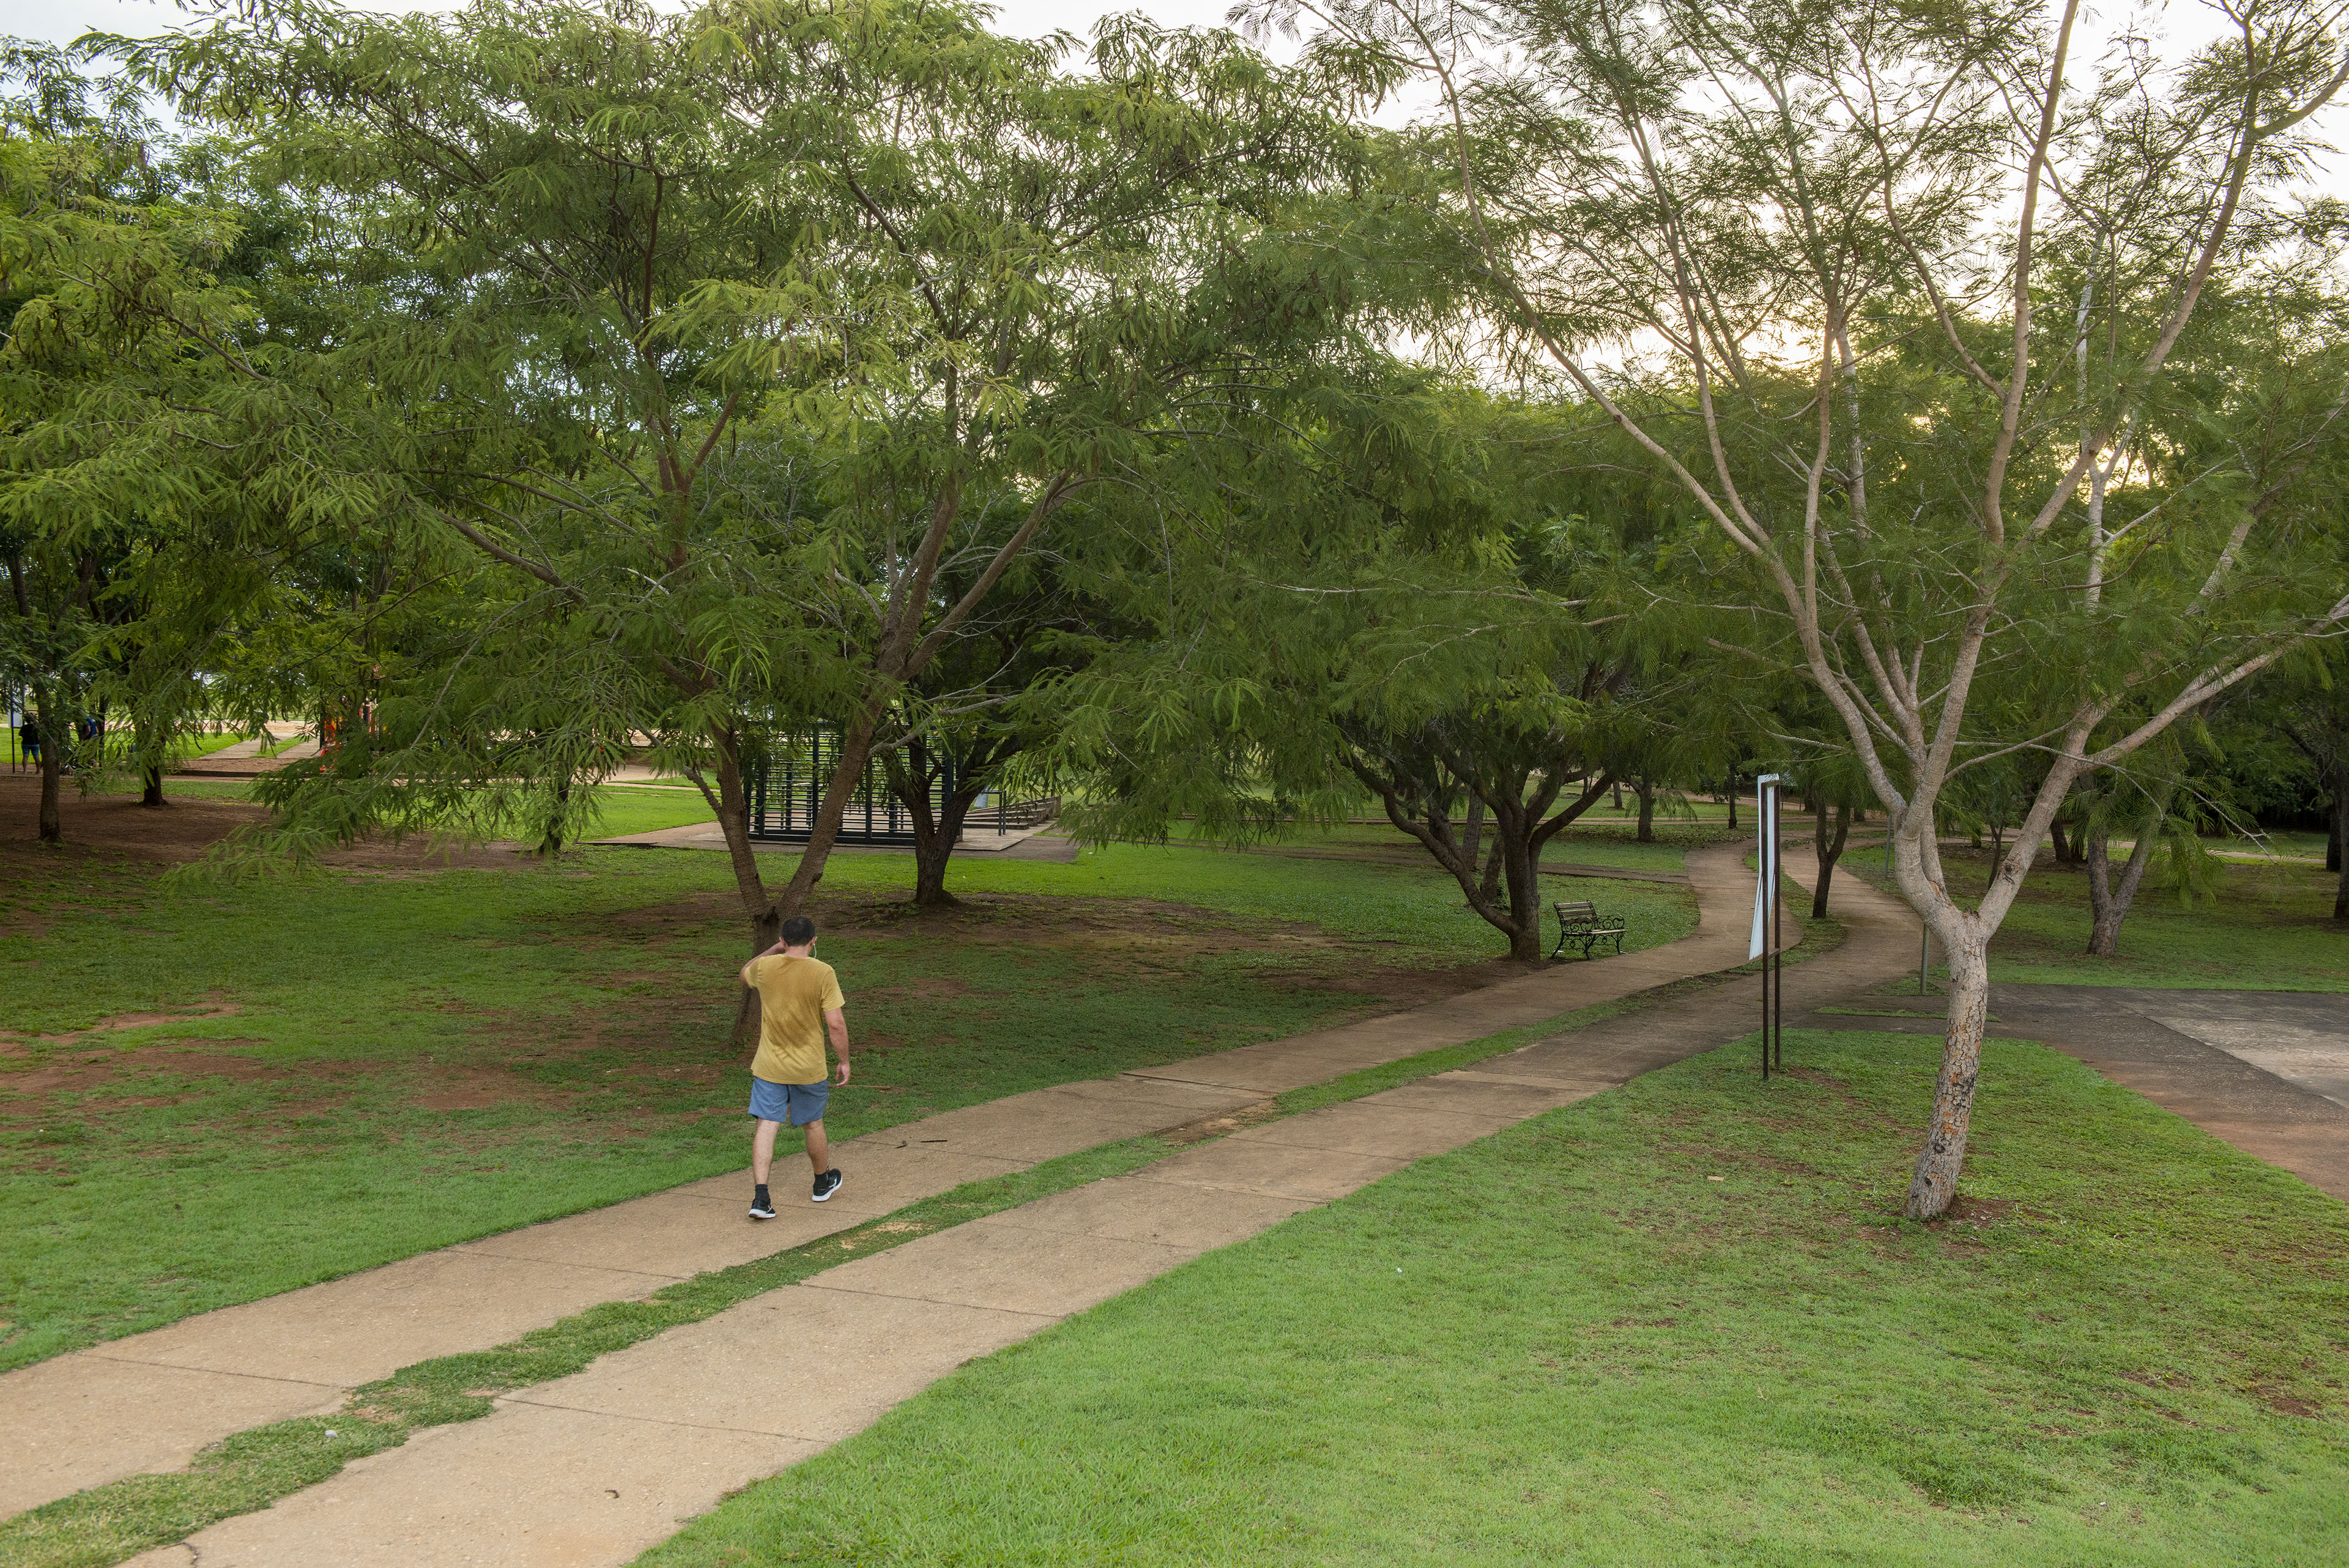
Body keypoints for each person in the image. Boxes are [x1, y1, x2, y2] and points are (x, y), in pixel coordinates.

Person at [738, 914, 852, 1217]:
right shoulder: (823, 972)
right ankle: (820, 1184)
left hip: (769, 1066)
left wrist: (773, 950)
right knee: (813, 1123)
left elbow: (744, 973)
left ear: (784, 940)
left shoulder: (765, 967)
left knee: (767, 1125)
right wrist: (844, 1060)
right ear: (814, 941)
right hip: (808, 1067)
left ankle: (761, 1199)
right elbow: (836, 1024)